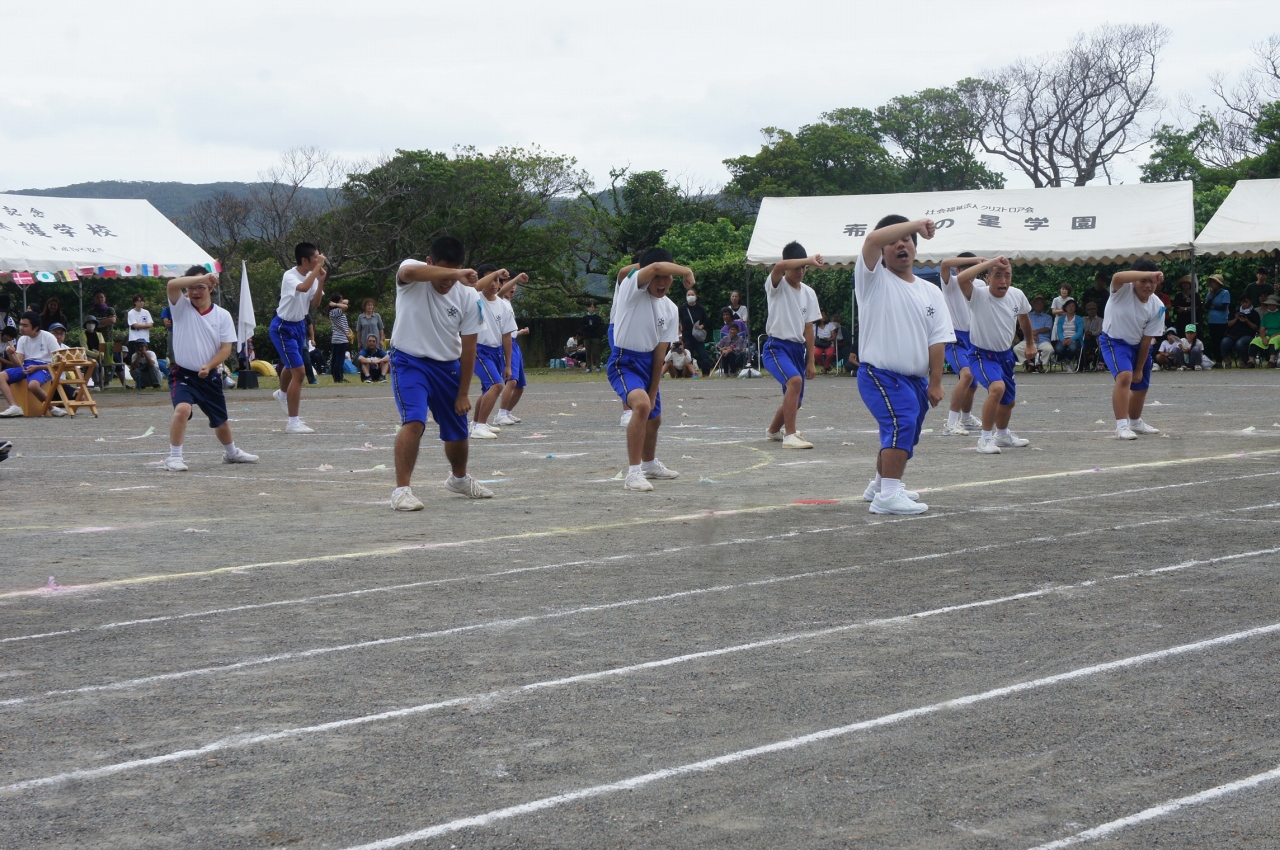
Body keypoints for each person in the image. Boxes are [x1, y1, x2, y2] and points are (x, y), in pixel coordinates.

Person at [854, 215, 953, 515]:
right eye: (894, 241)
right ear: (884, 250)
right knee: (901, 423)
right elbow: (871, 240)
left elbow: (938, 339)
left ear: (915, 248)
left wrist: (935, 382)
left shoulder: (930, 291)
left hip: (915, 380)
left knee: (904, 432)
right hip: (879, 373)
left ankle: (879, 485)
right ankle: (888, 497)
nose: (901, 245)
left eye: (907, 241)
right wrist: (914, 225)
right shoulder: (872, 279)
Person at [389, 235, 491, 509]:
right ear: (430, 262)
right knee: (414, 421)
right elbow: (408, 271)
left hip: (447, 367)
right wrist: (455, 273)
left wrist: (463, 393)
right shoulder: (412, 276)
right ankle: (401, 491)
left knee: (458, 431)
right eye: (444, 273)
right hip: (410, 362)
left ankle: (458, 479)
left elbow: (469, 347)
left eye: (454, 273)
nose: (448, 282)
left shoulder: (469, 296)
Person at [607, 247, 688, 492]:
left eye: (667, 277)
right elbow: (649, 268)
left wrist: (654, 390)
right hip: (625, 361)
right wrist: (687, 270)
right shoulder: (632, 290)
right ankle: (633, 474)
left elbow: (660, 352)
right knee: (640, 406)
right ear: (645, 275)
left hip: (648, 363)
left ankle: (650, 463)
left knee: (654, 417)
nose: (662, 282)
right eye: (657, 277)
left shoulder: (671, 309)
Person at [161, 268, 258, 470]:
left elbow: (225, 349)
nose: (195, 292)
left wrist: (210, 365)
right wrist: (203, 277)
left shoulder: (222, 315)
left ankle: (231, 453)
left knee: (221, 421)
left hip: (210, 375)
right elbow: (171, 285)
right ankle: (174, 456)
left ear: (212, 288)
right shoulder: (180, 308)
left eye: (201, 287)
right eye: (191, 288)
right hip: (183, 374)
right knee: (182, 410)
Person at [957, 256, 1035, 455]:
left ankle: (1002, 435)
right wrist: (990, 262)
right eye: (997, 275)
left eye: (1007, 276)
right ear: (987, 277)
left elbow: (1024, 318)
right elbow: (962, 278)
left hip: (1005, 355)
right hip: (981, 355)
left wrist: (1030, 342)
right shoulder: (978, 295)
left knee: (1008, 401)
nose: (1003, 281)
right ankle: (984, 439)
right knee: (997, 388)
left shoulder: (1017, 295)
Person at [762, 241, 822, 449]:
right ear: (788, 265)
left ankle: (772, 432)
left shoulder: (809, 293)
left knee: (796, 401)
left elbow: (809, 329)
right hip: (776, 347)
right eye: (797, 267)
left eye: (804, 268)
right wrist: (809, 259)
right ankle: (790, 436)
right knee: (794, 382)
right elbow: (778, 267)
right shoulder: (776, 285)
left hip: (798, 349)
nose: (801, 272)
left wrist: (811, 361)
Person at [1099, 260, 1165, 440]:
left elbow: (1146, 340)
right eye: (1143, 280)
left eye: (1152, 281)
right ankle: (1121, 426)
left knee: (1141, 385)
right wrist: (1148, 274)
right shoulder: (1121, 290)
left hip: (1138, 345)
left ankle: (1135, 422)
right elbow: (1117, 276)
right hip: (1114, 341)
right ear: (1134, 280)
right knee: (1125, 376)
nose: (1148, 285)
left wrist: (1139, 368)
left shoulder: (1158, 307)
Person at [270, 243, 326, 432]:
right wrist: (317, 269)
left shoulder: (313, 277)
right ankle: (293, 423)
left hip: (299, 325)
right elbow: (302, 288)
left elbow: (316, 303)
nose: (319, 260)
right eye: (315, 258)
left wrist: (321, 280)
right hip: (283, 327)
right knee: (299, 372)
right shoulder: (290, 275)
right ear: (305, 260)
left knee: (291, 364)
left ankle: (282, 393)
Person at [470, 264, 522, 438]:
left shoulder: (502, 305)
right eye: (490, 279)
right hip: (478, 349)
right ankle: (480, 427)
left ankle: (476, 424)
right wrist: (497, 273)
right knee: (497, 384)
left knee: (488, 389)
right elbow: (475, 286)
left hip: (496, 350)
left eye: (497, 280)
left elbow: (507, 336)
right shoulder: (475, 297)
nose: (493, 283)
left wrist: (508, 364)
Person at [937, 253, 985, 436]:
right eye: (967, 268)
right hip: (954, 338)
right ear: (958, 270)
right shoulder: (951, 284)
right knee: (966, 375)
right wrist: (979, 260)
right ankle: (950, 422)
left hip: (973, 338)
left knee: (972, 382)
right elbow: (945, 263)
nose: (972, 273)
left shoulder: (979, 285)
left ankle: (965, 418)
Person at [0, 312, 65, 417]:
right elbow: (18, 364)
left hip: (45, 366)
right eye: (21, 325)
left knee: (33, 385)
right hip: (27, 366)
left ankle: (52, 407)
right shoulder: (22, 339)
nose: (21, 328)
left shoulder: (48, 337)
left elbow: (58, 362)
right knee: (1, 376)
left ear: (36, 327)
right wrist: (11, 354)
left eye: (25, 326)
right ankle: (14, 407)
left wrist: (37, 367)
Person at [496, 280, 529, 426]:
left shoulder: (508, 303)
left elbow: (509, 329)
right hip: (506, 344)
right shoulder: (500, 299)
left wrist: (519, 332)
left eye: (515, 285)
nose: (513, 287)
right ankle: (501, 414)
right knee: (512, 380)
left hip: (514, 343)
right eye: (509, 284)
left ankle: (507, 412)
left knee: (520, 385)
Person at [1014, 295, 1054, 370]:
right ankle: (1029, 363)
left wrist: (1037, 331)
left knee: (1049, 349)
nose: (1039, 304)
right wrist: (1031, 336)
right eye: (1037, 303)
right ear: (1033, 304)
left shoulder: (1048, 317)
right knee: (1017, 348)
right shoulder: (1027, 315)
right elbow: (1022, 327)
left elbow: (1047, 328)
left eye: (1041, 303)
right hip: (1027, 340)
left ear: (1044, 305)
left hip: (1043, 340)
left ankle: (1039, 363)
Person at [677, 290, 712, 376]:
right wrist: (679, 326)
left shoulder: (700, 308)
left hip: (697, 335)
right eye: (688, 294)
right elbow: (676, 318)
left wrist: (701, 326)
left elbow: (706, 321)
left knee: (703, 355)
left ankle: (705, 373)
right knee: (688, 355)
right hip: (687, 335)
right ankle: (688, 373)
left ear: (696, 296)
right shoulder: (682, 308)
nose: (690, 296)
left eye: (692, 294)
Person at [1222, 294, 1260, 367]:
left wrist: (1247, 321)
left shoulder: (1254, 313)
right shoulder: (1236, 312)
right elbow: (1228, 324)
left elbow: (1256, 327)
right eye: (1242, 302)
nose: (1244, 304)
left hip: (1247, 335)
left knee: (1240, 343)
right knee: (1224, 342)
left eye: (1246, 302)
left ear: (1251, 302)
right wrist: (1236, 319)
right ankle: (1227, 361)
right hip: (1233, 335)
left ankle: (1243, 359)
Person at [1204, 274, 1231, 358]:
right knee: (1214, 341)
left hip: (1221, 321)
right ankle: (1217, 359)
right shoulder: (1209, 294)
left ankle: (1224, 357)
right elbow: (1206, 306)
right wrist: (1211, 298)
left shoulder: (1225, 293)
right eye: (1211, 282)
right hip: (1212, 320)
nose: (1212, 284)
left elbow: (1223, 307)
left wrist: (1213, 306)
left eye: (1214, 282)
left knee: (1221, 340)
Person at [1249, 294, 1280, 367]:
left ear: (1276, 305)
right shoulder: (1266, 316)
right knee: (1255, 341)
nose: (1271, 306)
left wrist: (1274, 335)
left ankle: (1272, 360)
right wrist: (1263, 338)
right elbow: (1262, 328)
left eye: (1273, 305)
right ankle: (1251, 360)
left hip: (1277, 335)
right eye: (1269, 305)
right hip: (1267, 335)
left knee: (1273, 340)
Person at [328, 293, 352, 383]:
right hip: (340, 338)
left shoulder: (335, 310)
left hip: (337, 338)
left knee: (335, 358)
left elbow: (346, 302)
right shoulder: (336, 311)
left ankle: (338, 376)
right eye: (340, 301)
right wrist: (336, 304)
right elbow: (346, 307)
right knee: (339, 359)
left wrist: (339, 302)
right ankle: (338, 377)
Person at [82, 316, 112, 386]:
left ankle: (106, 381)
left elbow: (103, 346)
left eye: (92, 323)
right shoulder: (82, 335)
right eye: (89, 323)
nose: (91, 324)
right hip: (88, 356)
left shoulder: (99, 334)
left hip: (100, 355)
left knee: (111, 363)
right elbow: (85, 349)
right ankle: (97, 382)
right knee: (95, 364)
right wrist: (96, 355)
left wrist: (101, 355)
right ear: (86, 324)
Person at [1052, 298, 1084, 363]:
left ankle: (1068, 360)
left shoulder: (1079, 318)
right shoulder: (1061, 319)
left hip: (1074, 339)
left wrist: (1071, 339)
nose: (1071, 308)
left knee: (1072, 348)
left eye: (1073, 306)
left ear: (1075, 308)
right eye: (1069, 306)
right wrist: (1062, 339)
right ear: (1065, 308)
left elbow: (1080, 332)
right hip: (1063, 339)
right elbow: (1059, 331)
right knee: (1058, 349)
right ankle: (1065, 361)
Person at [580, 302, 606, 373]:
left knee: (596, 352)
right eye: (590, 307)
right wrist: (589, 328)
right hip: (587, 337)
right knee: (588, 352)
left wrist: (590, 327)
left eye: (593, 307)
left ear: (595, 308)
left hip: (595, 337)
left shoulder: (598, 318)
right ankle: (588, 367)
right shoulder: (584, 318)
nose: (591, 309)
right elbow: (583, 327)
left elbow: (599, 327)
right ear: (588, 308)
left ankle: (598, 366)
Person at [1081, 301, 1104, 370]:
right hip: (1084, 338)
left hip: (1095, 338)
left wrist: (1090, 333)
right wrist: (1086, 333)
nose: (1092, 311)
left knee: (1089, 342)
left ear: (1096, 310)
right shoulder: (1083, 319)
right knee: (1085, 342)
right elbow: (1080, 329)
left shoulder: (1100, 320)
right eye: (1090, 309)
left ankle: (1089, 357)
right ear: (1087, 311)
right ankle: (1088, 358)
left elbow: (1100, 331)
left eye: (1093, 309)